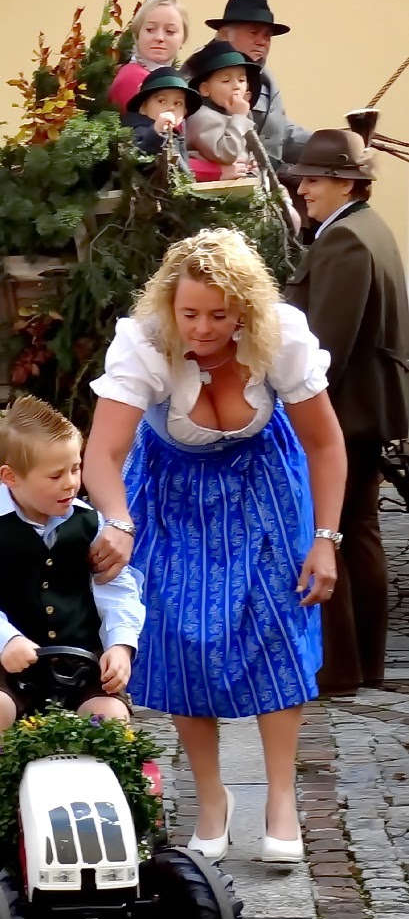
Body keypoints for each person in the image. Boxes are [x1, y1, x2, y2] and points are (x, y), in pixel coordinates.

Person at [83, 228, 346, 866]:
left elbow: (325, 444)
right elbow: (103, 454)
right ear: (170, 306)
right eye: (190, 313)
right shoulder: (146, 344)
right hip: (174, 495)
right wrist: (117, 520)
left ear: (245, 312)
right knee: (181, 635)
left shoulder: (279, 337)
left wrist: (325, 539)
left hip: (265, 488)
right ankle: (211, 799)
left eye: (220, 315)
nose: (202, 329)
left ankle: (280, 800)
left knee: (279, 628)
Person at [0, 396, 144, 840]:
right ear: (10, 478)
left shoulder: (90, 525)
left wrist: (120, 646)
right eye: (55, 475)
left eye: (76, 469)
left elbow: (118, 591)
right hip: (6, 660)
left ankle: (123, 828)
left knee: (109, 714)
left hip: (80, 657)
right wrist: (5, 638)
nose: (70, 483)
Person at [283, 130, 409, 696]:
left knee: (328, 529)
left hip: (343, 413)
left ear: (345, 184)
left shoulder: (345, 241)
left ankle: (336, 669)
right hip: (366, 409)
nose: (303, 189)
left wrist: (299, 413)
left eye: (313, 179)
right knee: (359, 528)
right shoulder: (366, 228)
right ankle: (365, 665)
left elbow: (324, 347)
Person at [194, 0, 311, 172]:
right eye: (253, 33)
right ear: (225, 35)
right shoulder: (200, 71)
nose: (262, 42)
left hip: (268, 175)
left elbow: (280, 131)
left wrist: (328, 142)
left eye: (267, 36)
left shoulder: (265, 77)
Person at [183, 42, 260, 183]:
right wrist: (239, 117)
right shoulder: (202, 117)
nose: (236, 86)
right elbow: (226, 154)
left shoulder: (237, 114)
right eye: (226, 80)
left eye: (241, 80)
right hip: (213, 191)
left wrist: (252, 164)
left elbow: (250, 149)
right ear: (205, 89)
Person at [109, 0, 190, 113]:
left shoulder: (174, 79)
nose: (159, 37)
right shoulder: (134, 78)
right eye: (150, 29)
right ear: (137, 35)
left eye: (170, 31)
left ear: (183, 40)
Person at [123, 67, 200, 169]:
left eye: (177, 103)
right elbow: (139, 155)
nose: (171, 107)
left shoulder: (175, 135)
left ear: (184, 112)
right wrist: (156, 131)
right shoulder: (137, 129)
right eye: (161, 101)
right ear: (143, 107)